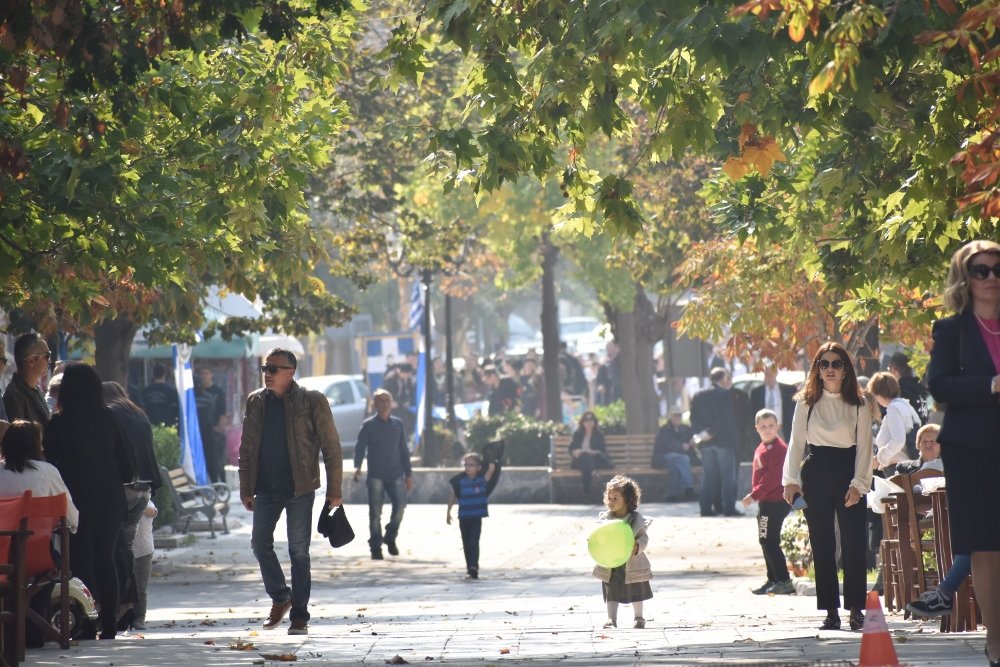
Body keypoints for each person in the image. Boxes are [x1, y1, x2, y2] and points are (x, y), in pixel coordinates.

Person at [925, 239, 1000, 667]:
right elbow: (940, 385)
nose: (991, 277)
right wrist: (990, 386)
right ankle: (996, 642)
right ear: (966, 278)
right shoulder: (951, 330)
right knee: (987, 547)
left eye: (997, 269)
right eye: (981, 270)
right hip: (972, 448)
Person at [238, 348, 343, 636]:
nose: (268, 374)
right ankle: (281, 596)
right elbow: (246, 448)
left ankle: (300, 615)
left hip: (300, 488)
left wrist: (335, 489)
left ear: (291, 372)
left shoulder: (312, 400)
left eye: (274, 369)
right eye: (265, 369)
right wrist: (245, 487)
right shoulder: (256, 402)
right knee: (259, 544)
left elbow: (331, 447)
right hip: (266, 489)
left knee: (299, 551)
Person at [782, 342, 873, 631]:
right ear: (817, 369)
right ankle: (831, 611)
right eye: (824, 364)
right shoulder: (805, 402)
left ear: (846, 369)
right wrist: (790, 481)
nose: (830, 369)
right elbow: (796, 444)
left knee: (854, 543)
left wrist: (859, 484)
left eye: (836, 363)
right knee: (822, 543)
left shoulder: (860, 403)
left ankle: (857, 609)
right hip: (816, 473)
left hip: (848, 472)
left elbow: (865, 449)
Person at [43, 363, 137, 640]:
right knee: (106, 558)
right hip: (110, 497)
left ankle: (85, 623)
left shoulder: (58, 423)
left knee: (82, 560)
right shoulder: (109, 417)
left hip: (76, 498)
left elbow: (51, 461)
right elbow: (127, 462)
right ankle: (109, 624)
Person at [353, 389, 413, 560]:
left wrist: (408, 474)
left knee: (400, 506)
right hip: (376, 474)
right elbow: (360, 447)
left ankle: (390, 536)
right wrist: (357, 466)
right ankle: (375, 546)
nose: (385, 403)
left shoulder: (398, 424)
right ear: (374, 404)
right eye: (380, 400)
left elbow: (404, 449)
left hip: (396, 473)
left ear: (392, 403)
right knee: (375, 513)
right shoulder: (369, 425)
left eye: (387, 400)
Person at [741, 409, 794, 596]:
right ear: (757, 428)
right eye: (763, 426)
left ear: (777, 426)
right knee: (765, 540)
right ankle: (772, 579)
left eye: (771, 426)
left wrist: (754, 494)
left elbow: (773, 478)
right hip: (766, 502)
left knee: (770, 540)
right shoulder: (762, 447)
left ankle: (783, 579)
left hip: (775, 501)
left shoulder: (780, 449)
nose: (767, 430)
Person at [593, 474, 652, 630]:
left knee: (636, 589)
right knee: (611, 590)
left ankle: (639, 617)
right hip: (611, 562)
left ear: (628, 500)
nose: (611, 502)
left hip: (632, 561)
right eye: (609, 498)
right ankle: (611, 619)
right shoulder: (605, 519)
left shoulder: (635, 520)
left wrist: (638, 546)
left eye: (616, 498)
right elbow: (597, 536)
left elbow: (643, 538)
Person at [0, 420, 79, 531]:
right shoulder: (47, 471)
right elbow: (72, 518)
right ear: (34, 446)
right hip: (38, 545)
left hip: (3, 545)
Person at [690, 367, 743, 517]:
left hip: (705, 442)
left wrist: (702, 433)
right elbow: (725, 418)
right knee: (728, 476)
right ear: (723, 378)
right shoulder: (725, 394)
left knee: (708, 476)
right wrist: (711, 432)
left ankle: (705, 508)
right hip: (724, 441)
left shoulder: (698, 394)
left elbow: (693, 417)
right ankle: (729, 509)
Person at [446, 452, 497, 580]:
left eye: (472, 465)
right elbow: (453, 495)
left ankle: (474, 566)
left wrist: (491, 458)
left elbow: (491, 470)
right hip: (463, 517)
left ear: (479, 467)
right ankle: (469, 567)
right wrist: (448, 511)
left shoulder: (482, 481)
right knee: (466, 543)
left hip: (476, 517)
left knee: (474, 542)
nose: (468, 468)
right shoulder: (460, 482)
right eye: (466, 465)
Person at [869, 371, 922, 475]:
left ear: (879, 393)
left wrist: (879, 458)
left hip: (897, 469)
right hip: (909, 466)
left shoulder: (893, 408)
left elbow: (898, 440)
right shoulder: (907, 406)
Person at [3, 332, 51, 430]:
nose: (49, 360)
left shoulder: (35, 390)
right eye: (47, 356)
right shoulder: (14, 395)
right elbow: (21, 438)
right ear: (31, 361)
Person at [651, 407, 696, 502]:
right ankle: (688, 489)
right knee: (682, 458)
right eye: (675, 415)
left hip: (676, 460)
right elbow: (664, 446)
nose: (677, 418)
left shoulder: (684, 428)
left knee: (676, 466)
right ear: (670, 417)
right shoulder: (664, 429)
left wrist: (693, 441)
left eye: (679, 415)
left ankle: (672, 495)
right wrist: (681, 447)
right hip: (662, 458)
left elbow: (693, 437)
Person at [195, 367, 227, 484]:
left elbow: (223, 413)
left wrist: (218, 429)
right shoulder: (197, 394)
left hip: (215, 432)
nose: (204, 376)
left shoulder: (218, 392)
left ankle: (222, 483)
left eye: (206, 373)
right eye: (202, 373)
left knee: (217, 461)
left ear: (211, 375)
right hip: (202, 433)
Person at [568, 411, 612, 495]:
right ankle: (593, 472)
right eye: (586, 420)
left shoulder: (599, 435)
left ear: (595, 422)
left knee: (586, 460)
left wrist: (586, 451)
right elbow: (571, 449)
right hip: (579, 462)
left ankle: (586, 492)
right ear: (582, 422)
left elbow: (602, 451)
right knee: (585, 458)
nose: (589, 422)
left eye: (591, 419)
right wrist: (575, 452)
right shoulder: (578, 434)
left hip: (594, 460)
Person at [888, 351, 930, 436]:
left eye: (888, 369)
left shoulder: (901, 392)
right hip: (923, 437)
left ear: (893, 370)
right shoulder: (920, 389)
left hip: (908, 443)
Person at [131, 498, 157, 631]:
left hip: (143, 550)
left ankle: (139, 618)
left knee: (140, 587)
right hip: (125, 548)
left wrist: (137, 503)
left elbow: (152, 511)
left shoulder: (146, 501)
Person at [749, 369, 797, 442]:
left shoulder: (789, 390)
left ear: (776, 374)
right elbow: (753, 414)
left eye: (771, 374)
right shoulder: (756, 392)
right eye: (766, 375)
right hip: (765, 430)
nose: (769, 377)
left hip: (783, 430)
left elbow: (794, 411)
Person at [141, 363, 179, 427]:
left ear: (153, 374)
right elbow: (177, 408)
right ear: (164, 374)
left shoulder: (146, 391)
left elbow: (141, 407)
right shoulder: (171, 391)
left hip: (150, 425)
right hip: (167, 426)